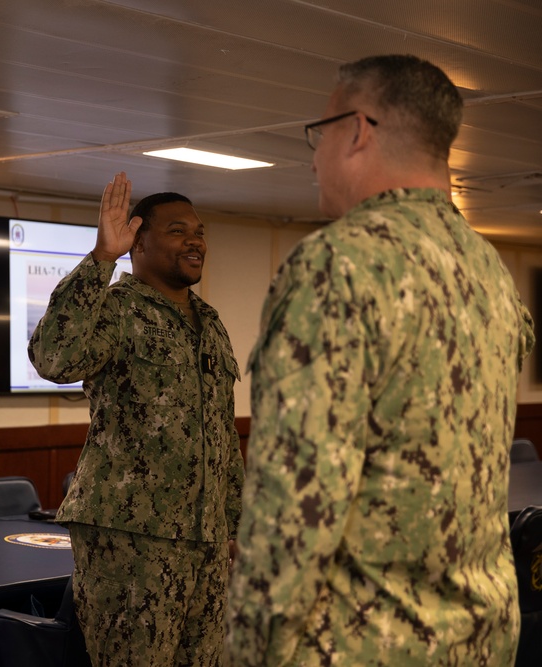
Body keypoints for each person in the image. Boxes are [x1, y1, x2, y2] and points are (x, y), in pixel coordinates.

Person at [226, 54, 535, 665]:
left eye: (320, 134)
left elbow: (294, 512)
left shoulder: (337, 265)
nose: (312, 158)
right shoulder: (489, 271)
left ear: (359, 129)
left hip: (361, 644)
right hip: (480, 639)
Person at [29, 174, 244, 666]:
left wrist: (235, 522)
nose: (195, 240)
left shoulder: (209, 323)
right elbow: (54, 357)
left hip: (205, 544)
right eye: (177, 230)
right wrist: (101, 259)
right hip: (131, 541)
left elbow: (223, 436)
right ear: (138, 243)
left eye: (200, 231)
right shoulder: (117, 311)